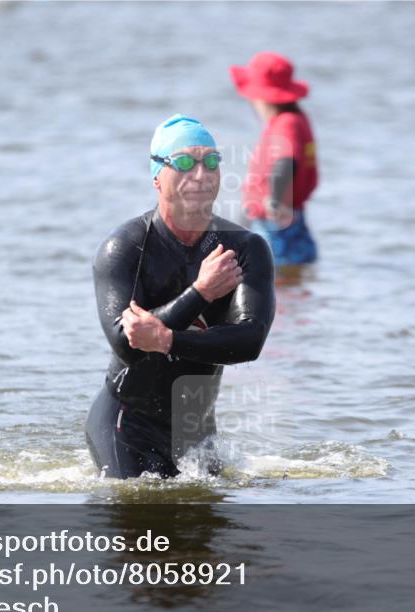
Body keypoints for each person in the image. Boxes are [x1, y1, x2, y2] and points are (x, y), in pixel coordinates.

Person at [85, 114, 276, 479]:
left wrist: (168, 338)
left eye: (212, 162)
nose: (201, 175)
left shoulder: (245, 249)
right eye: (185, 162)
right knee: (142, 523)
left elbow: (249, 342)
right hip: (127, 424)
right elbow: (128, 346)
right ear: (157, 176)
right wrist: (200, 292)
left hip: (196, 430)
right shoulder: (125, 248)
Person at [230, 52, 319, 267]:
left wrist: (276, 201)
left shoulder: (286, 124)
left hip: (276, 222)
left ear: (261, 98)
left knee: (275, 282)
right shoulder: (296, 119)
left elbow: (285, 161)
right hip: (286, 219)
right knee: (292, 274)